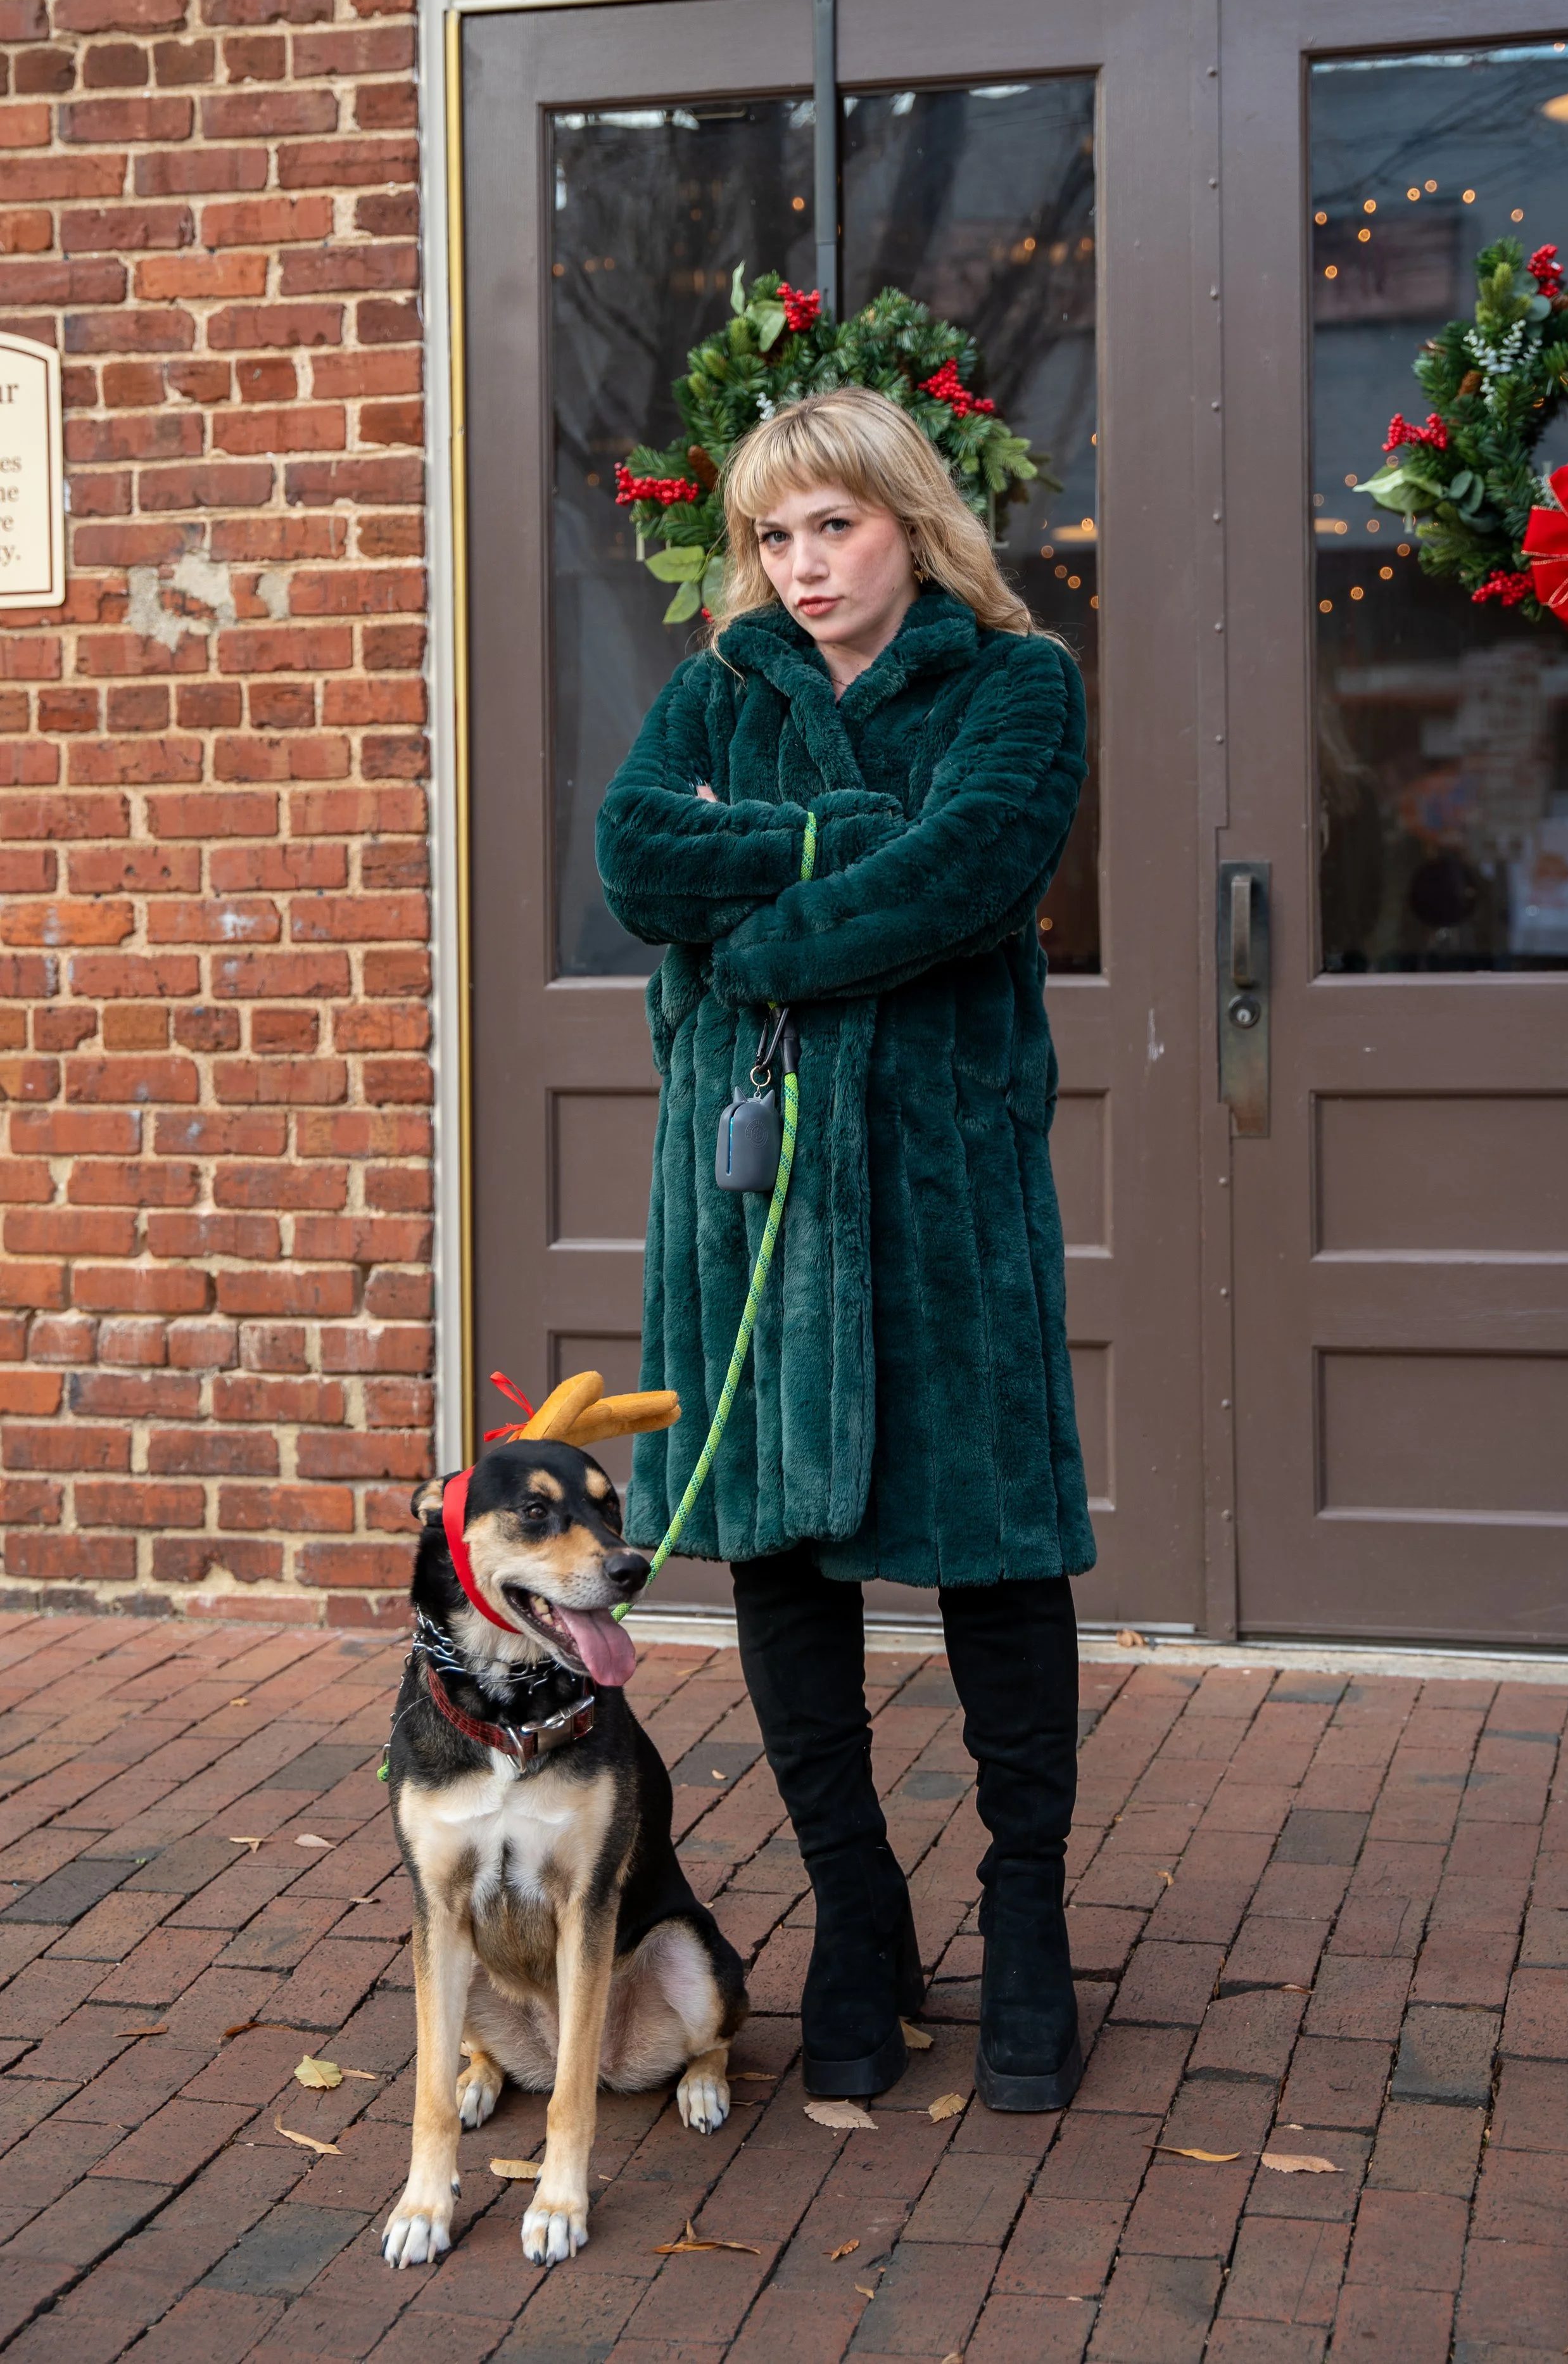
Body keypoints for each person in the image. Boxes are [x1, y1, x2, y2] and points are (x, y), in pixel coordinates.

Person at [595, 385, 1093, 2112]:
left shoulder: (1015, 684)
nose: (800, 566)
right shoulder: (715, 686)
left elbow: (964, 874)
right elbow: (637, 855)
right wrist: (829, 834)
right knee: (782, 1556)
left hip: (943, 1190)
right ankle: (854, 1908)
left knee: (993, 1551)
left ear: (910, 520)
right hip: (743, 1195)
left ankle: (1022, 1917)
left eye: (833, 525)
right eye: (771, 534)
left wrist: (760, 930)